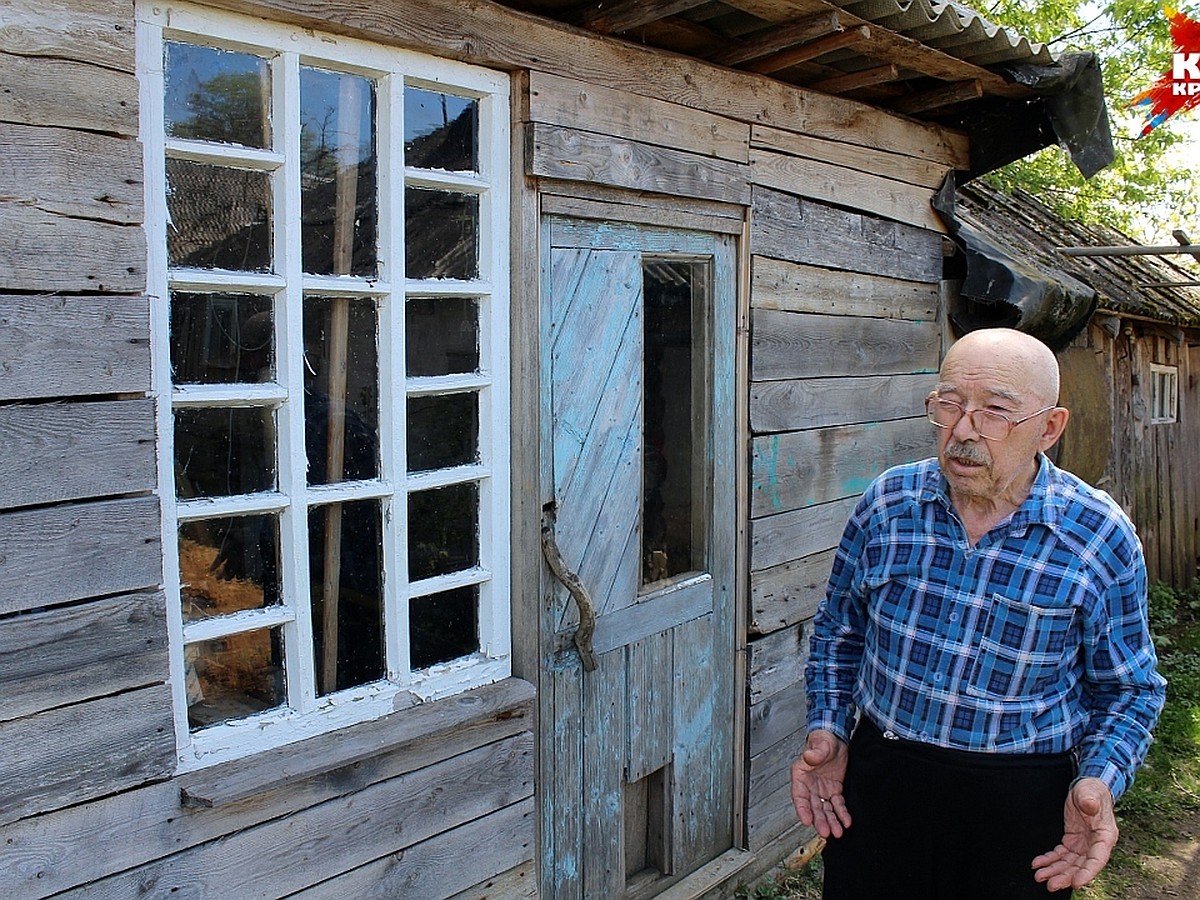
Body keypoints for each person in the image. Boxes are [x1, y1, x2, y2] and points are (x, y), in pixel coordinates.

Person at [792, 327, 1165, 898]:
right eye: (949, 404)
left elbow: (1130, 689)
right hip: (881, 780)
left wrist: (1097, 779)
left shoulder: (1096, 535)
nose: (963, 430)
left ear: (1049, 427)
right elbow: (839, 634)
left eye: (995, 411)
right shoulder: (889, 504)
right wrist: (829, 727)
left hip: (1021, 805)